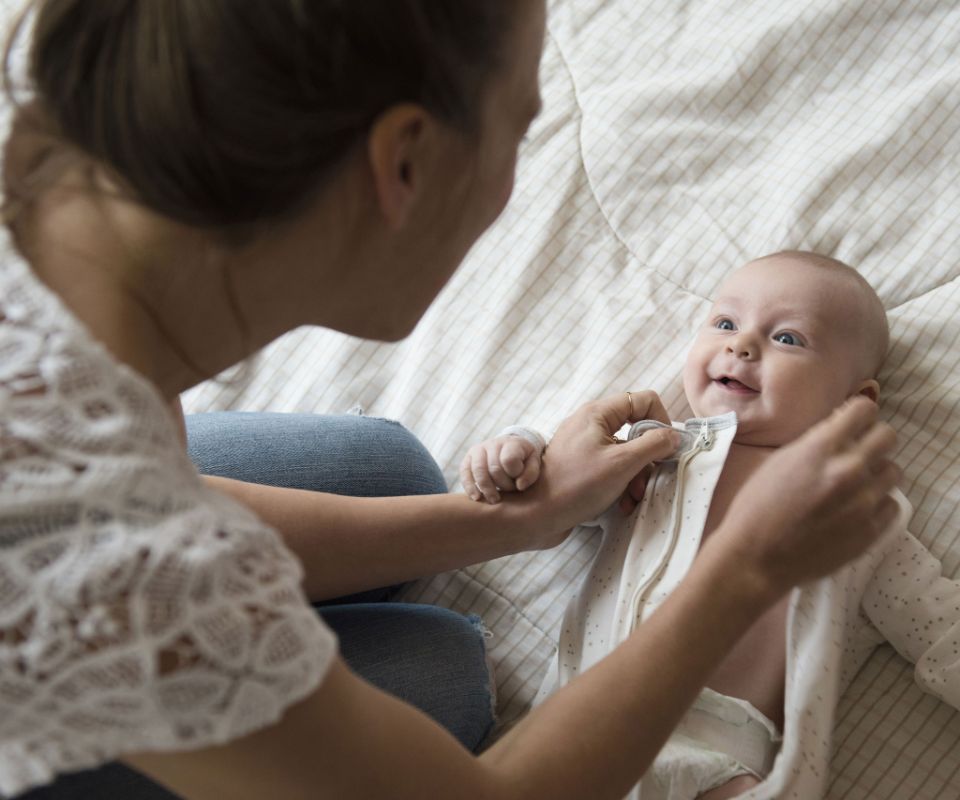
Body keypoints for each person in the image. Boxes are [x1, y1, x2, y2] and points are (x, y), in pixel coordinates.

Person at [0, 0, 901, 796]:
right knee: (439, 680)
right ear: (404, 162)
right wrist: (742, 568)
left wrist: (517, 519)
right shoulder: (91, 538)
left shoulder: (64, 297)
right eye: (520, 126)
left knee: (387, 476)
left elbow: (179, 505)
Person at [462, 251, 959, 800]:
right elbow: (556, 486)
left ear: (852, 403)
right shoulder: (653, 453)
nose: (741, 345)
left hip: (717, 752)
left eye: (788, 338)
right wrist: (518, 450)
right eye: (725, 323)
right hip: (579, 716)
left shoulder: (853, 512)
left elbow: (938, 625)